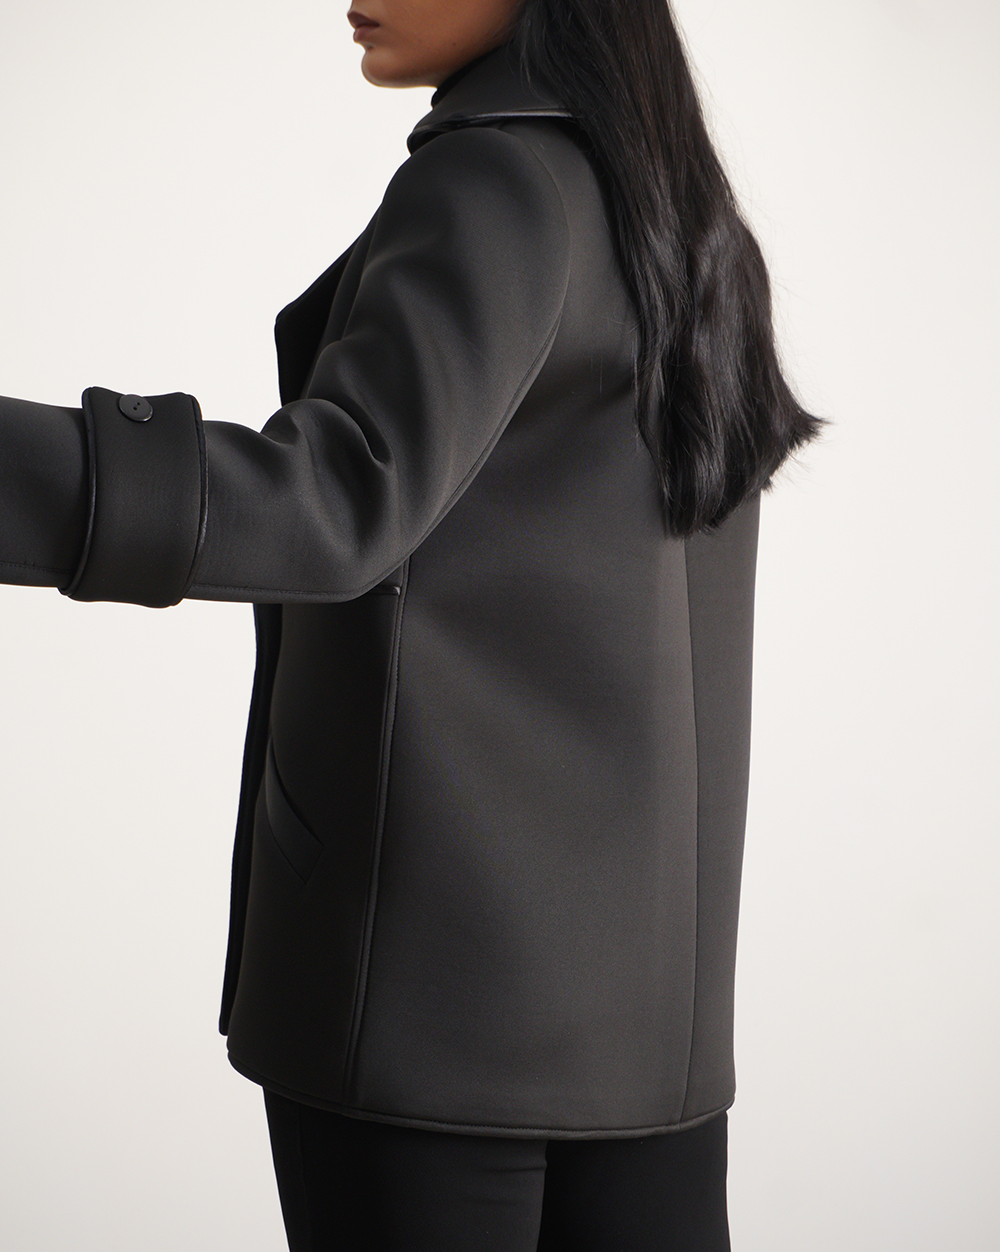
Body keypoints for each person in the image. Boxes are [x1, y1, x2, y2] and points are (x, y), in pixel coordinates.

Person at [0, 0, 820, 1248]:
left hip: (428, 1016)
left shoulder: (499, 181)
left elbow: (333, 500)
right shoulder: (673, 206)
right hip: (649, 1038)